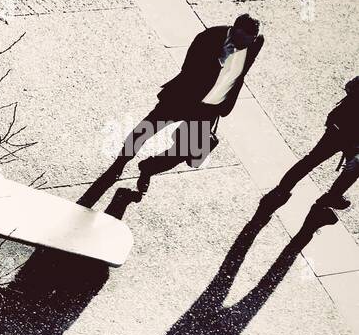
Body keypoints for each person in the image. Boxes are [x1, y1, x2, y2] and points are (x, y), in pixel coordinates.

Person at [114, 14, 265, 194]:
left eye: (251, 40)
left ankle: (148, 168)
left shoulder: (255, 44)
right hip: (183, 99)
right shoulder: (208, 38)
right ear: (234, 31)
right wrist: (220, 60)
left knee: (182, 153)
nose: (246, 45)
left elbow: (246, 64)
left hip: (209, 110)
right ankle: (119, 163)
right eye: (243, 39)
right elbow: (188, 70)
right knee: (145, 130)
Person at [262, 76, 359, 223]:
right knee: (352, 168)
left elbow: (350, 86)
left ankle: (282, 190)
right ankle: (331, 197)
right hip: (351, 137)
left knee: (311, 160)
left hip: (338, 126)